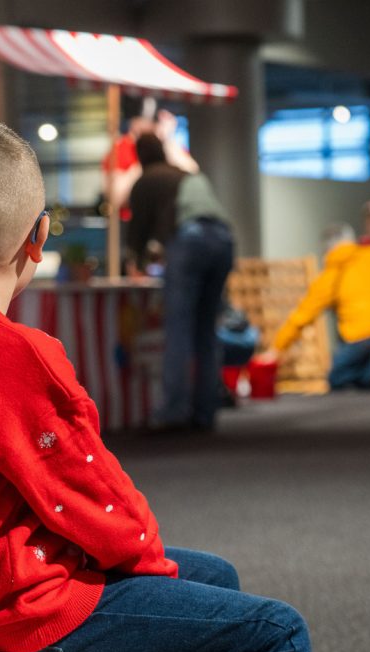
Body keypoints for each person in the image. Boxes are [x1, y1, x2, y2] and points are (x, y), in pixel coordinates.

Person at [0, 116, 310, 652]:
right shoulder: (15, 355)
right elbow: (86, 492)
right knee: (278, 633)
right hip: (7, 605)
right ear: (39, 238)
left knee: (215, 575)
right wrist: (148, 562)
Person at [128, 133, 235, 431]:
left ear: (139, 155)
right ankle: (205, 412)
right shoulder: (185, 173)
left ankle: (174, 411)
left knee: (178, 328)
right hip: (224, 238)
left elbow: (137, 231)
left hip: (190, 240)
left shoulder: (146, 180)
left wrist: (134, 261)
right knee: (206, 329)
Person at [261, 223, 370, 392]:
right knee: (361, 354)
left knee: (337, 376)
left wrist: (276, 349)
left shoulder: (334, 271)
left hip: (367, 333)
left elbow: (304, 314)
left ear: (328, 249)